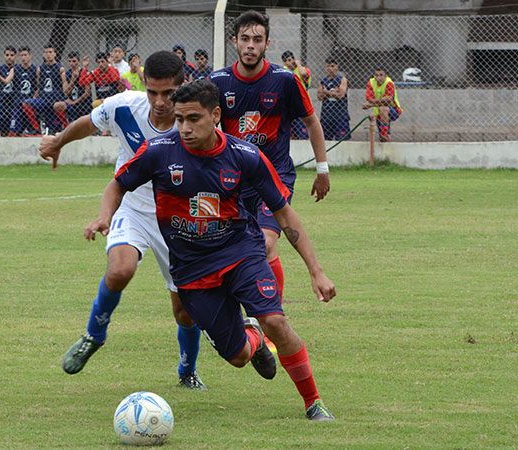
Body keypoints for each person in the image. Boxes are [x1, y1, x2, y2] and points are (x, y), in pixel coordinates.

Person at [90, 79, 336, 421]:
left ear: (216, 115)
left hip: (240, 253)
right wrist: (105, 215)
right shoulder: (160, 151)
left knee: (276, 321)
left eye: (194, 119)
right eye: (179, 120)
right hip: (192, 269)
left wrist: (316, 271)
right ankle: (252, 337)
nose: (185, 128)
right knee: (237, 357)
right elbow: (117, 184)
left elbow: (284, 213)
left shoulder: (245, 156)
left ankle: (314, 403)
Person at [38, 51, 206, 390]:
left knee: (185, 311)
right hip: (131, 206)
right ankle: (93, 335)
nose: (160, 102)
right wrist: (59, 141)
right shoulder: (124, 106)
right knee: (119, 270)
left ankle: (187, 370)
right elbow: (90, 122)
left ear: (181, 86)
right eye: (153, 92)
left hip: (178, 218)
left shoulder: (194, 120)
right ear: (144, 84)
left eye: (168, 94)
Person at [210, 10, 330, 311]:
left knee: (264, 242)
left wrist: (322, 168)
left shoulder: (284, 81)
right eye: (245, 39)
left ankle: (271, 316)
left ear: (267, 44)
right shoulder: (218, 83)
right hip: (234, 180)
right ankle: (258, 312)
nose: (251, 45)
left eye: (257, 40)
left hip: (274, 175)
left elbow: (312, 122)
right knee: (247, 247)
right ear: (235, 41)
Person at [12, 44, 69, 136]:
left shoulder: (60, 68)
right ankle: (36, 129)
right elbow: (39, 86)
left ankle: (67, 127)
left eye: (50, 52)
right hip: (43, 100)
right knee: (27, 103)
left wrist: (64, 98)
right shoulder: (40, 69)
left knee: (54, 127)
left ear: (55, 54)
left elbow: (65, 86)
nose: (48, 55)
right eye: (46, 52)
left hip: (55, 100)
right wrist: (34, 98)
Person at [362, 66, 402, 142]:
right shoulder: (371, 82)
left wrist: (371, 104)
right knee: (383, 140)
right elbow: (369, 98)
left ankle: (385, 134)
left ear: (385, 76)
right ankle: (385, 137)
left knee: (383, 109)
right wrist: (380, 101)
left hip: (394, 110)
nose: (378, 77)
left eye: (381, 75)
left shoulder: (389, 83)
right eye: (376, 75)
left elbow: (388, 100)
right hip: (378, 113)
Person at [7, 46, 40, 135]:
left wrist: (33, 98)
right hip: (18, 104)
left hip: (30, 106)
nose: (23, 57)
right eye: (21, 55)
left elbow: (39, 87)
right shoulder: (15, 69)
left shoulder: (36, 69)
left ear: (30, 56)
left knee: (34, 133)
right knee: (13, 132)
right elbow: (6, 81)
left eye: (25, 55)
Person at [281, 50, 312, 139]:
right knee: (291, 134)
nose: (289, 63)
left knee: (302, 133)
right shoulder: (284, 71)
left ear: (294, 59)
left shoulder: (303, 70)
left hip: (302, 103)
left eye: (290, 60)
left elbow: (304, 74)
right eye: (286, 61)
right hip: (289, 105)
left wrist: (298, 64)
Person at [317, 57, 349, 141]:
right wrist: (334, 93)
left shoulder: (342, 79)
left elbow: (341, 95)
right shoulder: (322, 80)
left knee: (342, 141)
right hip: (326, 115)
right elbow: (320, 96)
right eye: (328, 66)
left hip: (340, 115)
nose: (330, 69)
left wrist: (326, 92)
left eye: (332, 66)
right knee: (325, 140)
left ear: (337, 67)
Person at [54, 51, 90, 123]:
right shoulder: (66, 74)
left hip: (83, 101)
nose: (72, 64)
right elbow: (66, 92)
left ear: (78, 61)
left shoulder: (84, 72)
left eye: (74, 61)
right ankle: (66, 126)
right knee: (57, 105)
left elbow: (87, 92)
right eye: (69, 61)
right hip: (71, 101)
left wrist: (75, 102)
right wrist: (73, 80)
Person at [0, 45, 18, 136]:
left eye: (11, 55)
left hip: (14, 100)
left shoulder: (17, 68)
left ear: (15, 56)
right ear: (4, 56)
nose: (9, 57)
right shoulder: (0, 69)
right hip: (3, 100)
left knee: (14, 124)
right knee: (3, 123)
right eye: (7, 55)